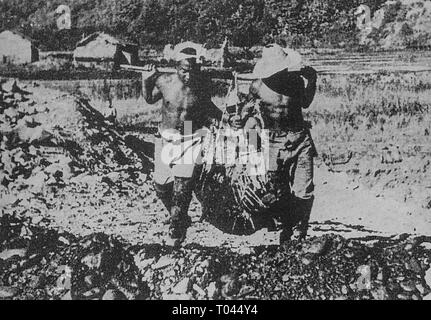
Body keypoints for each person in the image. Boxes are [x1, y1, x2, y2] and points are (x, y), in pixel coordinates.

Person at [230, 43, 318, 244]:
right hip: (272, 141)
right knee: (277, 191)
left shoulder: (295, 81)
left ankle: (300, 230)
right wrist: (238, 120)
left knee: (304, 190)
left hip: (299, 139)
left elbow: (305, 102)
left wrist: (312, 80)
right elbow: (245, 112)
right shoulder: (258, 86)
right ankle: (286, 225)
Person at [143, 49, 222, 247]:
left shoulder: (203, 85)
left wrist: (224, 118)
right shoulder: (165, 81)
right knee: (161, 186)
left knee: (182, 186)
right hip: (166, 135)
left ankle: (176, 230)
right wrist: (146, 79)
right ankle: (178, 216)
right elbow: (149, 98)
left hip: (190, 134)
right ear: (177, 67)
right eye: (185, 70)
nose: (189, 75)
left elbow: (207, 108)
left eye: (193, 71)